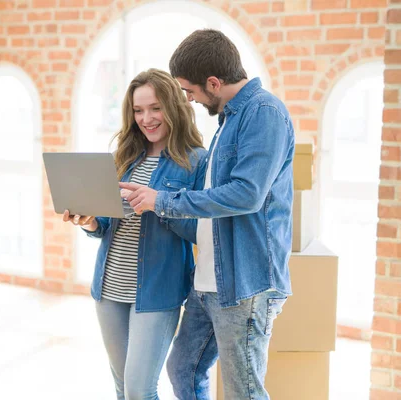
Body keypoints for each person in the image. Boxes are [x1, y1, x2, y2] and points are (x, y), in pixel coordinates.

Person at [120, 29, 295, 400]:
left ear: (213, 83)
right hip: (209, 282)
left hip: (244, 285)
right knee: (183, 369)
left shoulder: (264, 113)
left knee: (241, 391)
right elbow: (211, 200)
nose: (188, 99)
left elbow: (247, 195)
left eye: (190, 90)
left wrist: (163, 201)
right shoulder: (230, 120)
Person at [62, 68, 207, 400]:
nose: (147, 118)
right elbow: (107, 222)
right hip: (110, 288)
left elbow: (202, 230)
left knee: (140, 390)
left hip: (158, 292)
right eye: (139, 111)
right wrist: (88, 221)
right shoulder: (125, 158)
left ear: (173, 106)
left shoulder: (196, 162)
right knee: (122, 387)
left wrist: (157, 205)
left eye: (155, 108)